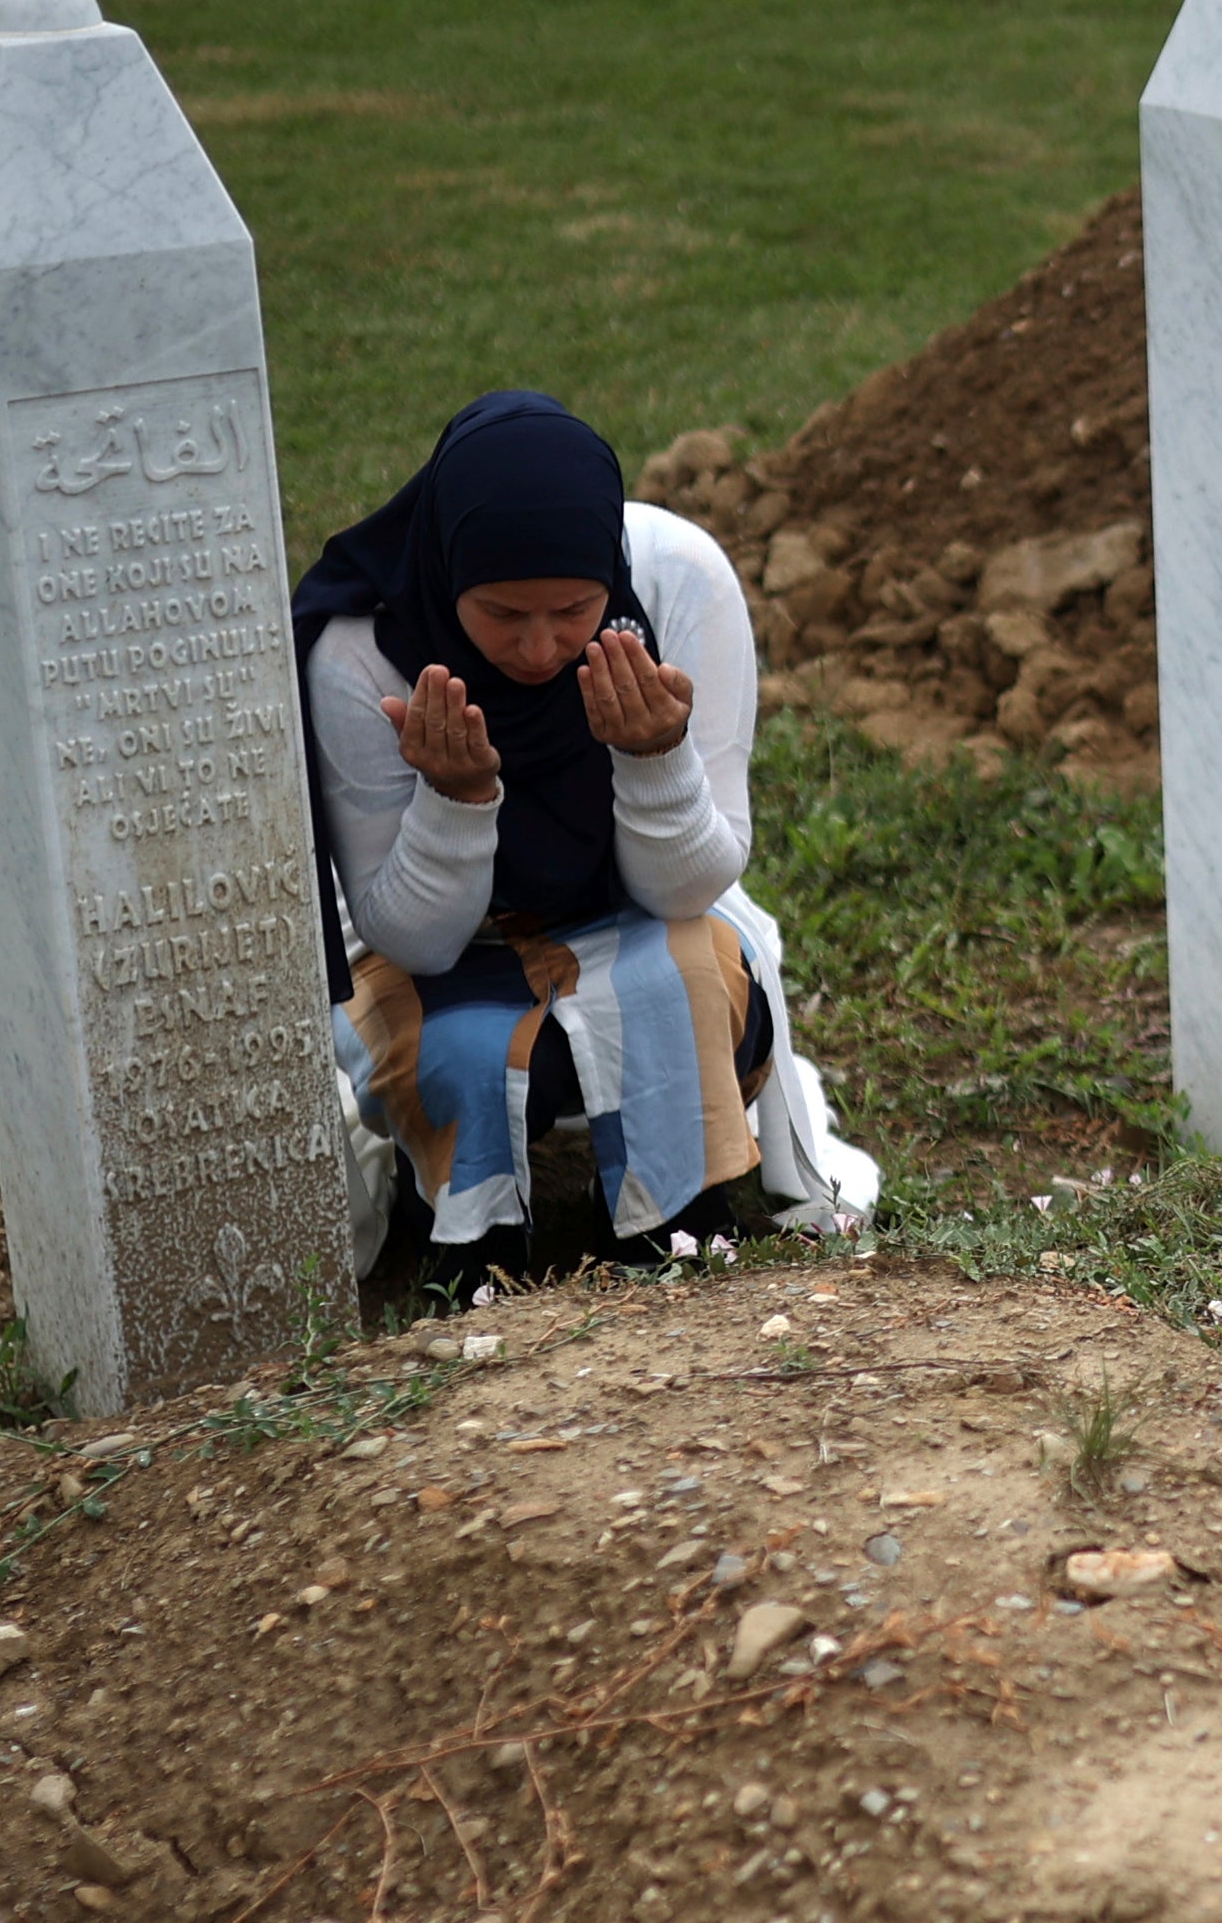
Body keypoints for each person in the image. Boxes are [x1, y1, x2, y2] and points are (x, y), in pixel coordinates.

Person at [292, 391, 875, 1283]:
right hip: (431, 953)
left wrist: (654, 760)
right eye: (502, 614)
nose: (538, 649)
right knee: (464, 1049)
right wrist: (455, 800)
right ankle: (469, 1244)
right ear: (449, 573)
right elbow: (413, 939)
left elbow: (689, 889)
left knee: (679, 983)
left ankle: (676, 1226)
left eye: (572, 610)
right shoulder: (364, 652)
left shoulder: (678, 585)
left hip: (634, 911)